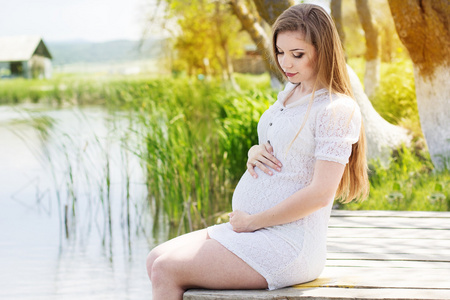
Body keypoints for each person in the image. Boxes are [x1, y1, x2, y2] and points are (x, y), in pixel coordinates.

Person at [146, 3, 369, 299]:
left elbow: (321, 194)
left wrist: (253, 221)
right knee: (155, 258)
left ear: (323, 50)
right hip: (253, 231)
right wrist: (254, 150)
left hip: (287, 243)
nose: (286, 63)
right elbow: (282, 146)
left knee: (167, 269)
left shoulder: (336, 108)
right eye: (280, 52)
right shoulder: (291, 93)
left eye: (297, 54)